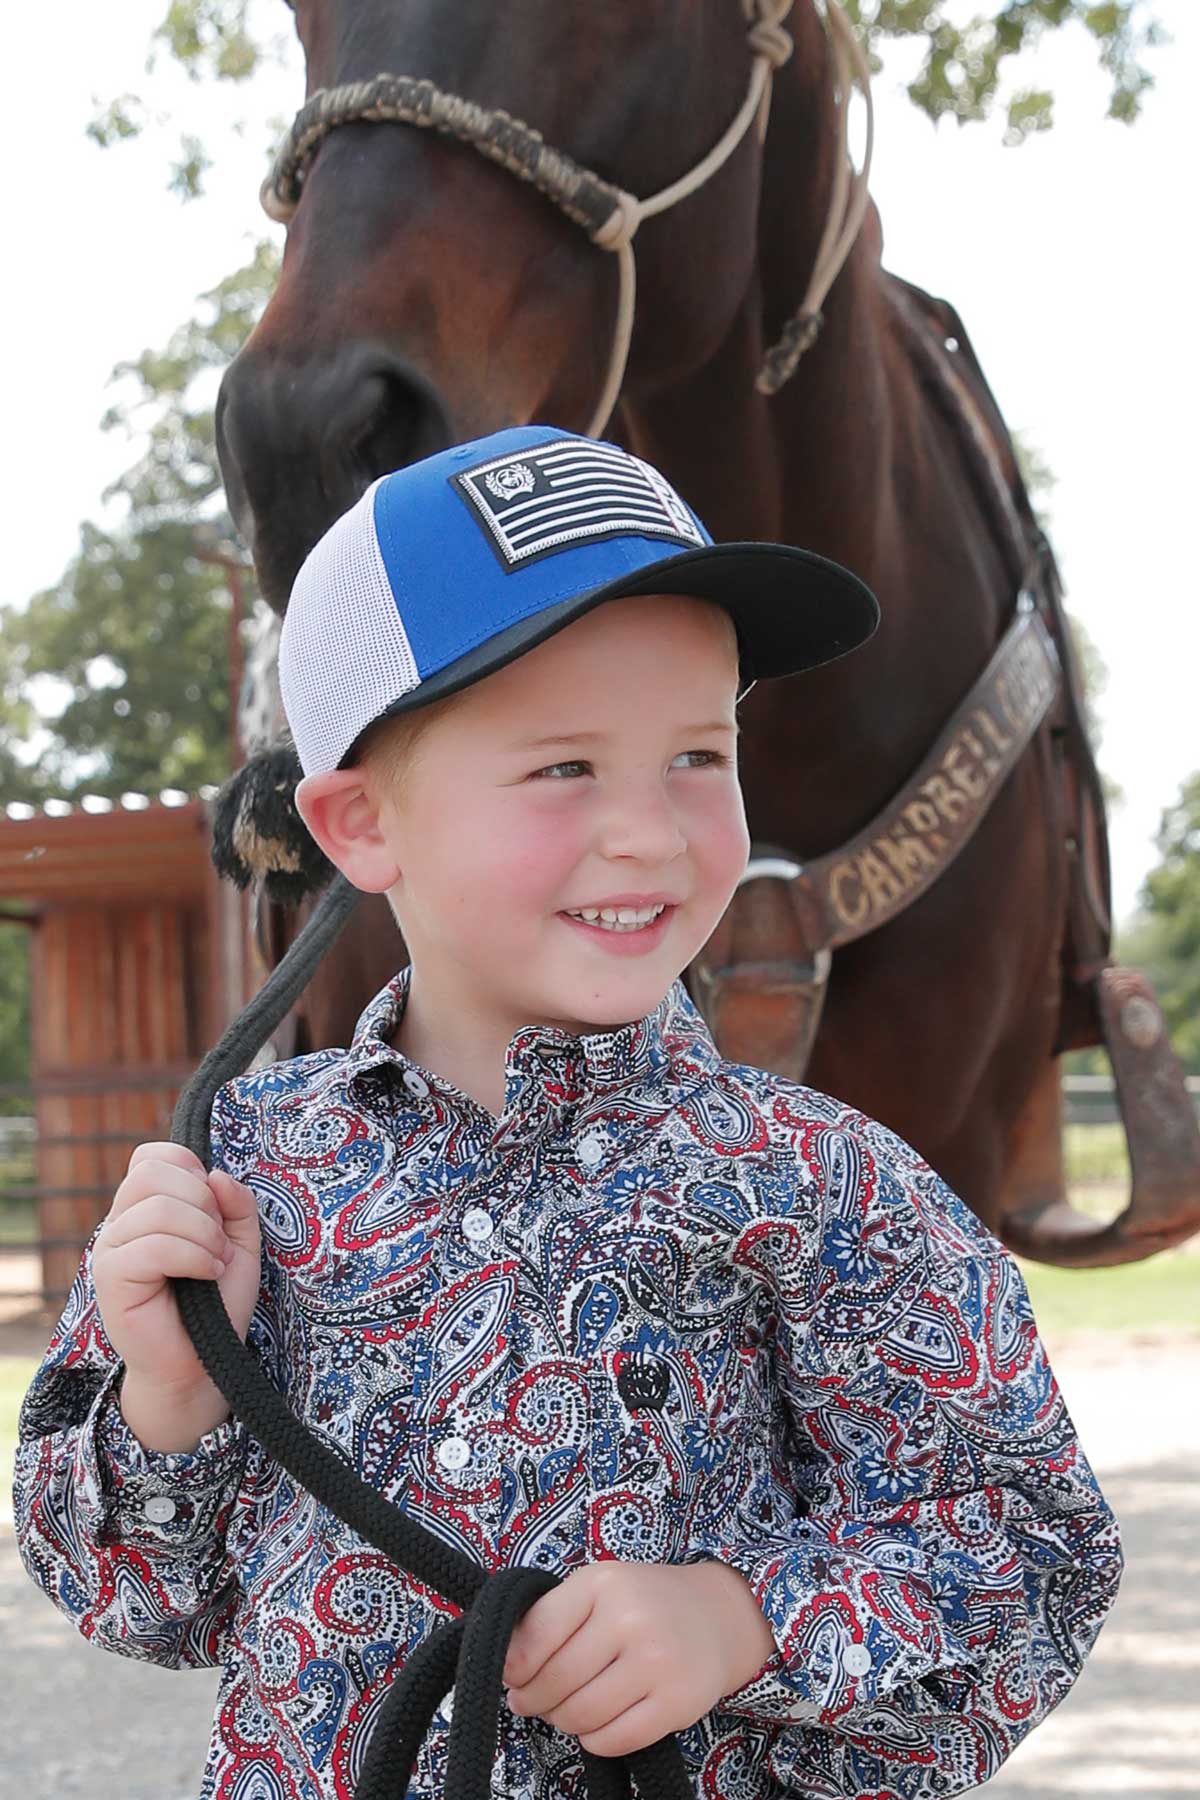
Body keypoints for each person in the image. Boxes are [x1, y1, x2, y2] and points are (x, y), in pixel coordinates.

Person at [14, 425, 1121, 1800]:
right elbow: (135, 1600)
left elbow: (1031, 1548)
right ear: (359, 824)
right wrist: (172, 1395)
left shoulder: (824, 1184)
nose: (652, 832)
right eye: (565, 768)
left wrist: (746, 1616)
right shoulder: (241, 1174)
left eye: (698, 758)